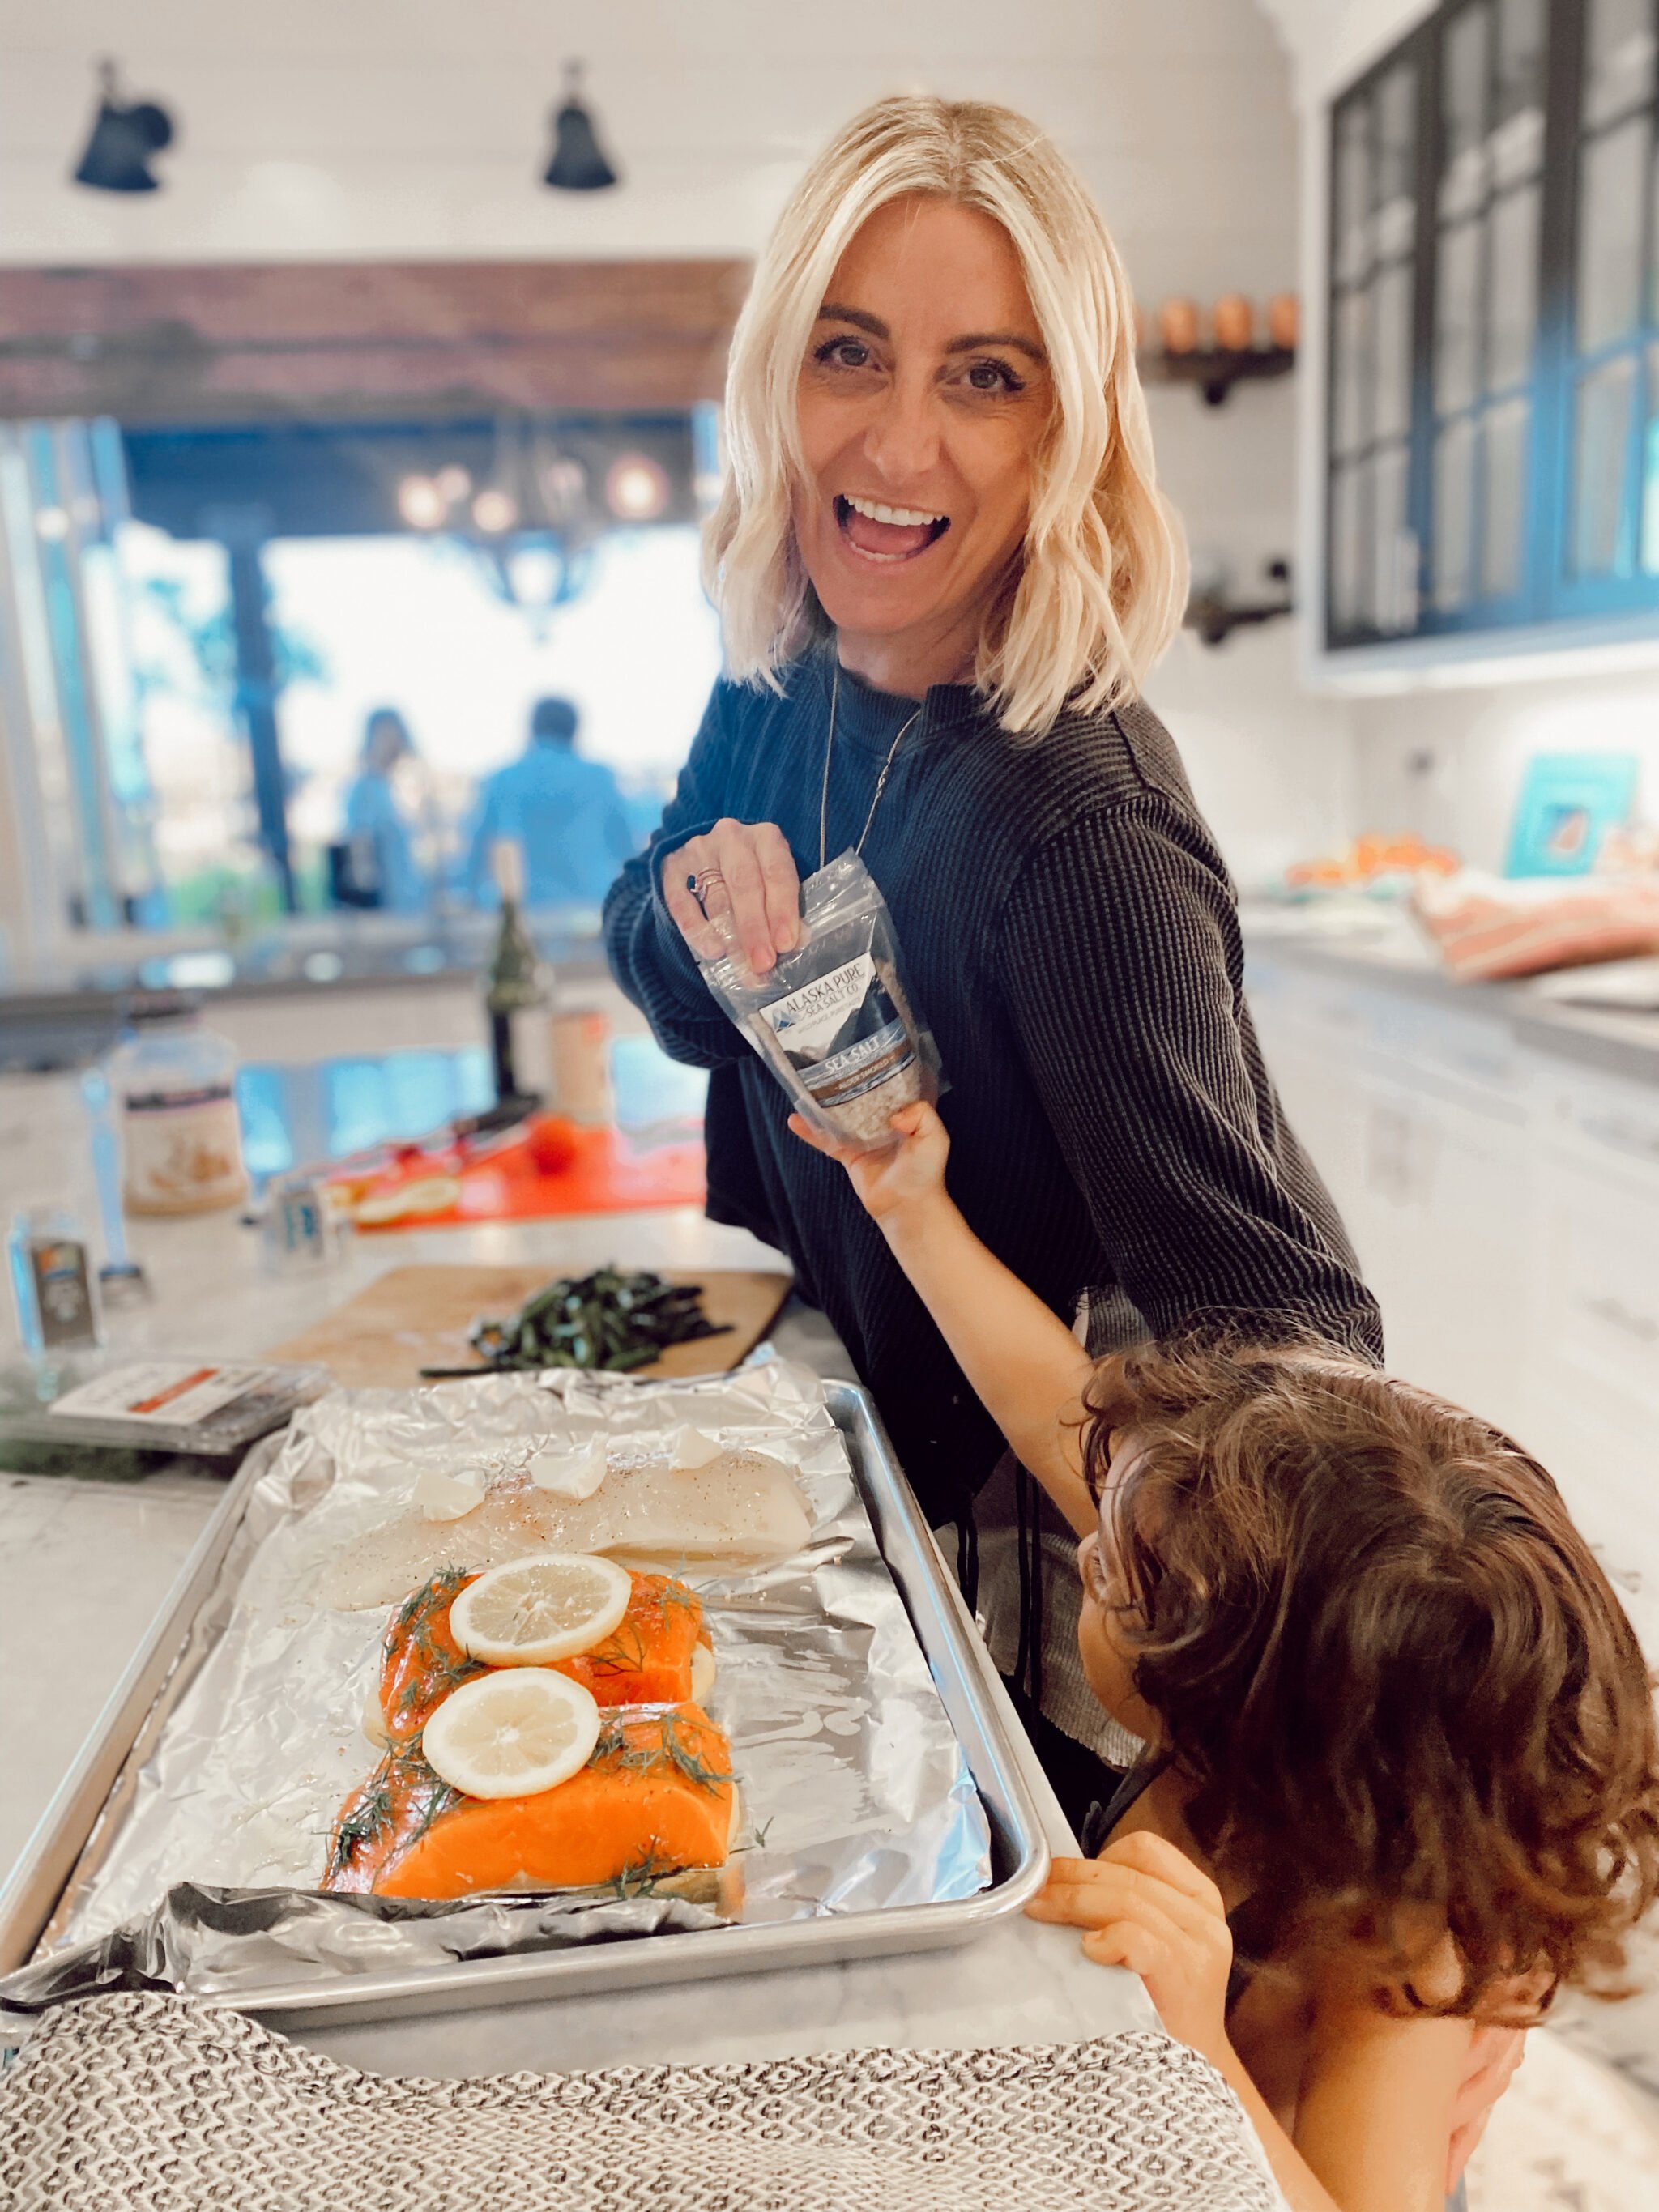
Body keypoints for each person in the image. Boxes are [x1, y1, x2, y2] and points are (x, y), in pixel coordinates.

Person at [603, 94, 1382, 1805]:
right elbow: (653, 954)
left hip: (1055, 1602)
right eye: (850, 353)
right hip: (862, 1445)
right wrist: (700, 931)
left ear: (1071, 435)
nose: (895, 448)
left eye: (986, 377)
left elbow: (1290, 1356)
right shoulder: (783, 662)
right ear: (772, 380)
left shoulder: (1073, 825)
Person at [796, 1093, 1659, 2212]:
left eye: (1104, 1577)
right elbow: (1038, 1400)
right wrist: (911, 1207)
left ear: (1238, 1688)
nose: (1086, 1556)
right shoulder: (1244, 1629)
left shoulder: (1401, 1936)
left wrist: (1194, 2039)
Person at [463, 695, 636, 908]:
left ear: (531, 730)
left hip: (518, 911)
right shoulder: (600, 778)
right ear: (575, 732)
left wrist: (469, 897)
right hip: (589, 909)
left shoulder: (501, 779)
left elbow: (477, 850)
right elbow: (625, 847)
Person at [341, 708, 425, 912]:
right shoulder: (364, 791)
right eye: (387, 736)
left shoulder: (389, 788)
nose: (394, 745)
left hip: (403, 908)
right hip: (384, 912)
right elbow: (361, 863)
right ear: (372, 739)